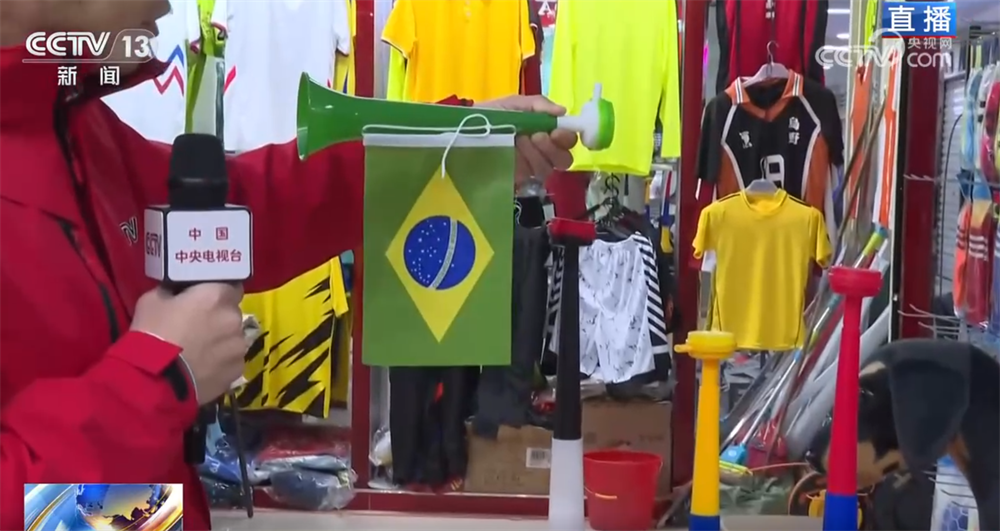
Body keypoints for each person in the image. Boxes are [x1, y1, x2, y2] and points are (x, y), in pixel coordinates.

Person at [0, 1, 577, 529]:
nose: (168, 4)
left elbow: (250, 208)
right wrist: (161, 380)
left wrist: (459, 142)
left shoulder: (71, 130)